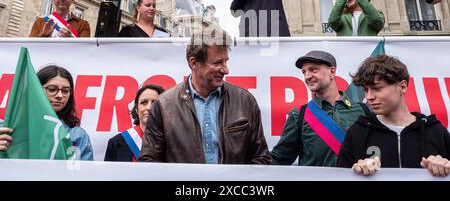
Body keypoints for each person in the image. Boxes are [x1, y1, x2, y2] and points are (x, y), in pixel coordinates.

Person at [139, 30, 271, 164]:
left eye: (226, 61)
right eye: (217, 63)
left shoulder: (245, 101)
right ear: (194, 63)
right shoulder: (164, 105)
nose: (225, 70)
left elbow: (261, 158)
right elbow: (150, 162)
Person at [337, 55, 450, 177]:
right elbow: (338, 177)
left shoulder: (436, 132)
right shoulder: (357, 132)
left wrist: (446, 166)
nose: (369, 96)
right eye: (366, 89)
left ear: (402, 87)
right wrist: (354, 173)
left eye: (377, 88)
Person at [271, 50, 370, 166]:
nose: (307, 76)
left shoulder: (363, 110)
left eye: (313, 70)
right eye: (304, 72)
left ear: (332, 72)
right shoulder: (298, 115)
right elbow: (280, 158)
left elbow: (376, 151)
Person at [0, 65, 94, 160]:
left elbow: (83, 173)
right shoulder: (6, 129)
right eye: (52, 89)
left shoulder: (77, 136)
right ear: (35, 89)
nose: (60, 95)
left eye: (65, 91)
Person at [104, 83, 165, 162]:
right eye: (144, 102)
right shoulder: (116, 143)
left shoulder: (172, 143)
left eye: (154, 103)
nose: (149, 107)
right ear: (136, 109)